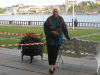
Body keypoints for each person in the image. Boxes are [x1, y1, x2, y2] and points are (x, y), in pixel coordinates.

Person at [44, 7, 73, 74]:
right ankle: (52, 65)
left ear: (58, 12)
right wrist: (52, 32)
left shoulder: (61, 19)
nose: (55, 13)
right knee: (50, 53)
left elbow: (64, 30)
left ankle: (52, 66)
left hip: (58, 40)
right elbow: (45, 30)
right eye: (54, 11)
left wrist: (68, 37)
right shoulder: (48, 19)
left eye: (56, 12)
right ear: (52, 12)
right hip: (50, 39)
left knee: (55, 53)